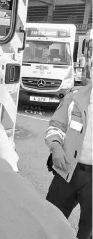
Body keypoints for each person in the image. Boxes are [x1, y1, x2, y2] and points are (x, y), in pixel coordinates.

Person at [45, 82, 92, 239]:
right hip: (67, 170)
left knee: (87, 231)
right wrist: (56, 148)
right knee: (49, 222)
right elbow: (55, 127)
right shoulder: (74, 98)